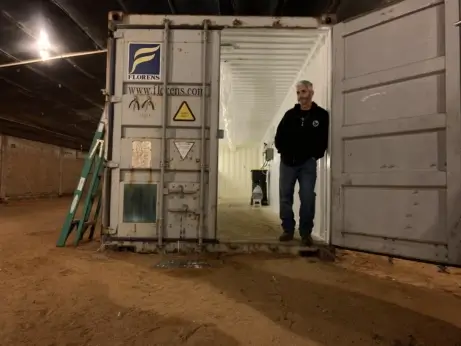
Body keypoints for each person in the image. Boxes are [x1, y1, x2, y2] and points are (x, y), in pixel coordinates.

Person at [274, 80, 329, 246]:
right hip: (287, 163)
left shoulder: (321, 115)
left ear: (311, 93)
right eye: (298, 93)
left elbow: (323, 139)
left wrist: (314, 156)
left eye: (303, 92)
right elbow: (279, 136)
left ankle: (306, 233)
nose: (300, 96)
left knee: (307, 197)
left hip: (307, 164)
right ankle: (288, 230)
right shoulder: (289, 115)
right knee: (285, 197)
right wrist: (282, 151)